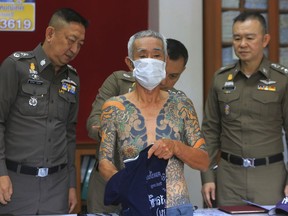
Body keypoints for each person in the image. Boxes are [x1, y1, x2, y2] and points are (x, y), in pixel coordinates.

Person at [98, 29, 209, 215]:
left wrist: (176, 147)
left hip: (177, 207)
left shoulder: (182, 105)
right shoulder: (114, 108)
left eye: (156, 55)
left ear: (165, 61)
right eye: (142, 55)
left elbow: (204, 161)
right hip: (134, 208)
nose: (150, 60)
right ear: (130, 63)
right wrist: (128, 188)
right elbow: (104, 162)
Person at [0, 8, 88, 214]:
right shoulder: (16, 66)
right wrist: (0, 173)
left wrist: (71, 184)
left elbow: (69, 134)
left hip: (57, 187)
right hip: (15, 182)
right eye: (71, 40)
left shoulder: (72, 79)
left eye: (80, 44)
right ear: (50, 34)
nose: (74, 49)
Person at [201, 11, 288, 208]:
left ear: (265, 40)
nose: (242, 44)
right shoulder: (221, 79)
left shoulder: (282, 80)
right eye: (237, 38)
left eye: (249, 38)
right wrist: (206, 176)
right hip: (229, 177)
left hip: (270, 177)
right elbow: (209, 132)